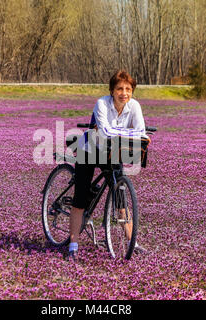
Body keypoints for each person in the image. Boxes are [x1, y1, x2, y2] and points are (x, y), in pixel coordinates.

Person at [68, 70, 148, 261]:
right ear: (112, 90)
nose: (124, 93)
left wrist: (121, 133)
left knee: (120, 198)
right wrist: (126, 132)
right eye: (119, 88)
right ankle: (73, 245)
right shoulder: (102, 103)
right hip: (89, 150)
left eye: (128, 89)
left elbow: (141, 132)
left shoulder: (134, 106)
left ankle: (132, 243)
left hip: (113, 150)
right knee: (80, 199)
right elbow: (104, 131)